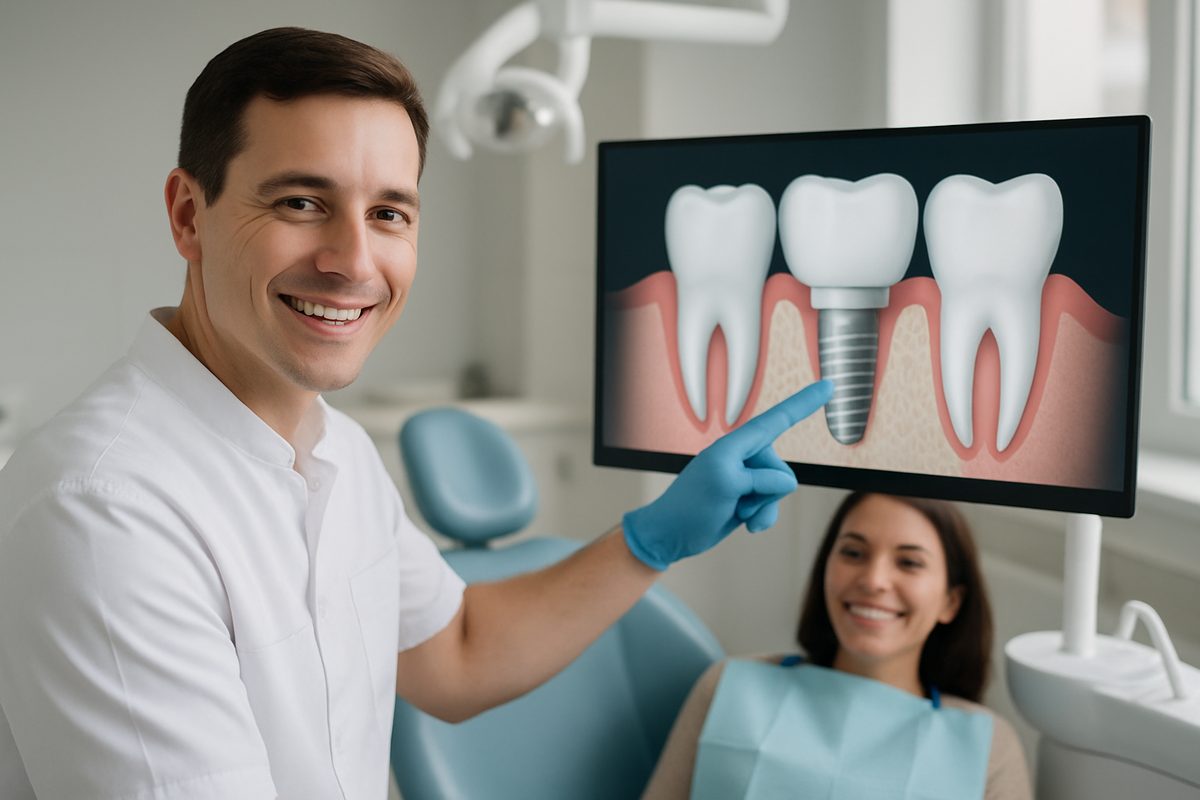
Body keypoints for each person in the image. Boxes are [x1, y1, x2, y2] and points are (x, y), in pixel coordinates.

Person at [0, 26, 832, 800]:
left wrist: (648, 543)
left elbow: (457, 652)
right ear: (189, 215)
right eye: (300, 202)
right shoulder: (103, 511)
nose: (353, 262)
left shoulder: (339, 452)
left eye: (389, 213)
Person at [642, 491, 1033, 799]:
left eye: (909, 563)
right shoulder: (729, 687)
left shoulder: (987, 746)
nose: (874, 579)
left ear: (951, 601)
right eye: (853, 553)